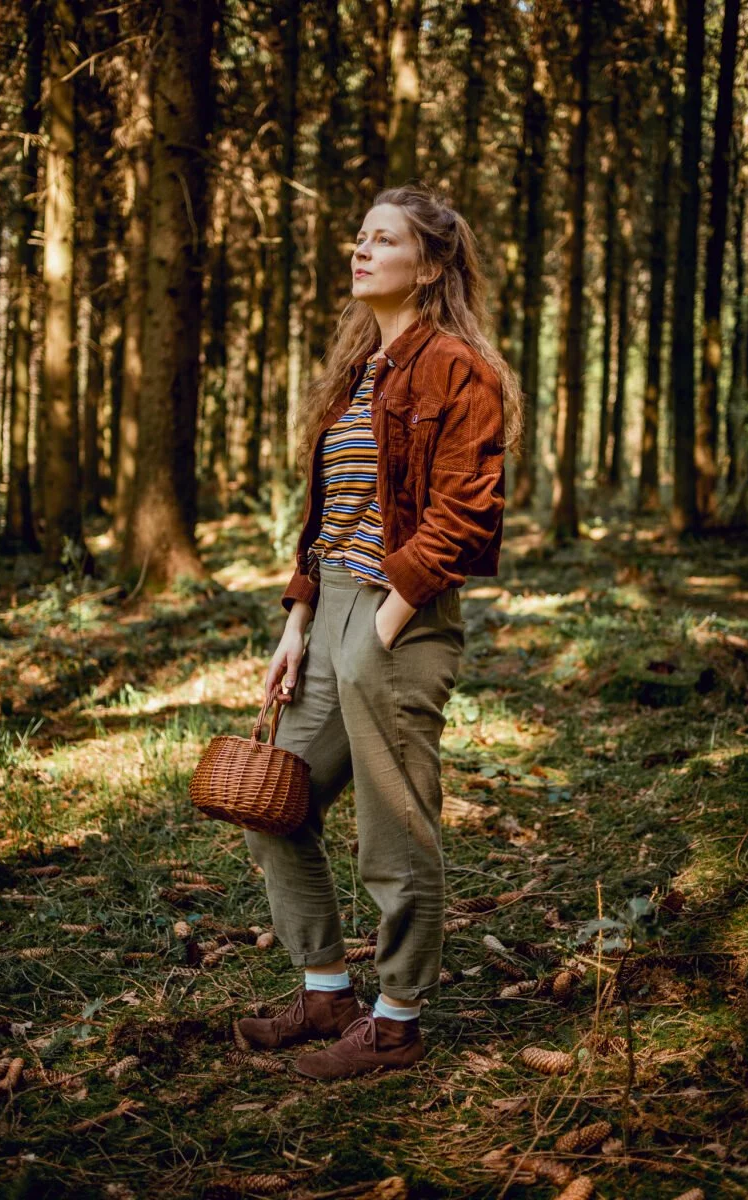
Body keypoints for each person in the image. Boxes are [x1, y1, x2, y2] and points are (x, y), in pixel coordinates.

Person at [238, 183, 522, 1080]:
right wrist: (299, 619)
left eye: (383, 240)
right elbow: (331, 514)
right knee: (270, 801)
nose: (359, 251)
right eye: (358, 237)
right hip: (331, 616)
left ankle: (396, 1021)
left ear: (430, 265)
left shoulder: (456, 368)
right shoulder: (360, 369)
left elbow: (466, 512)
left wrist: (383, 624)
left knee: (394, 832)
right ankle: (326, 989)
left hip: (405, 615)